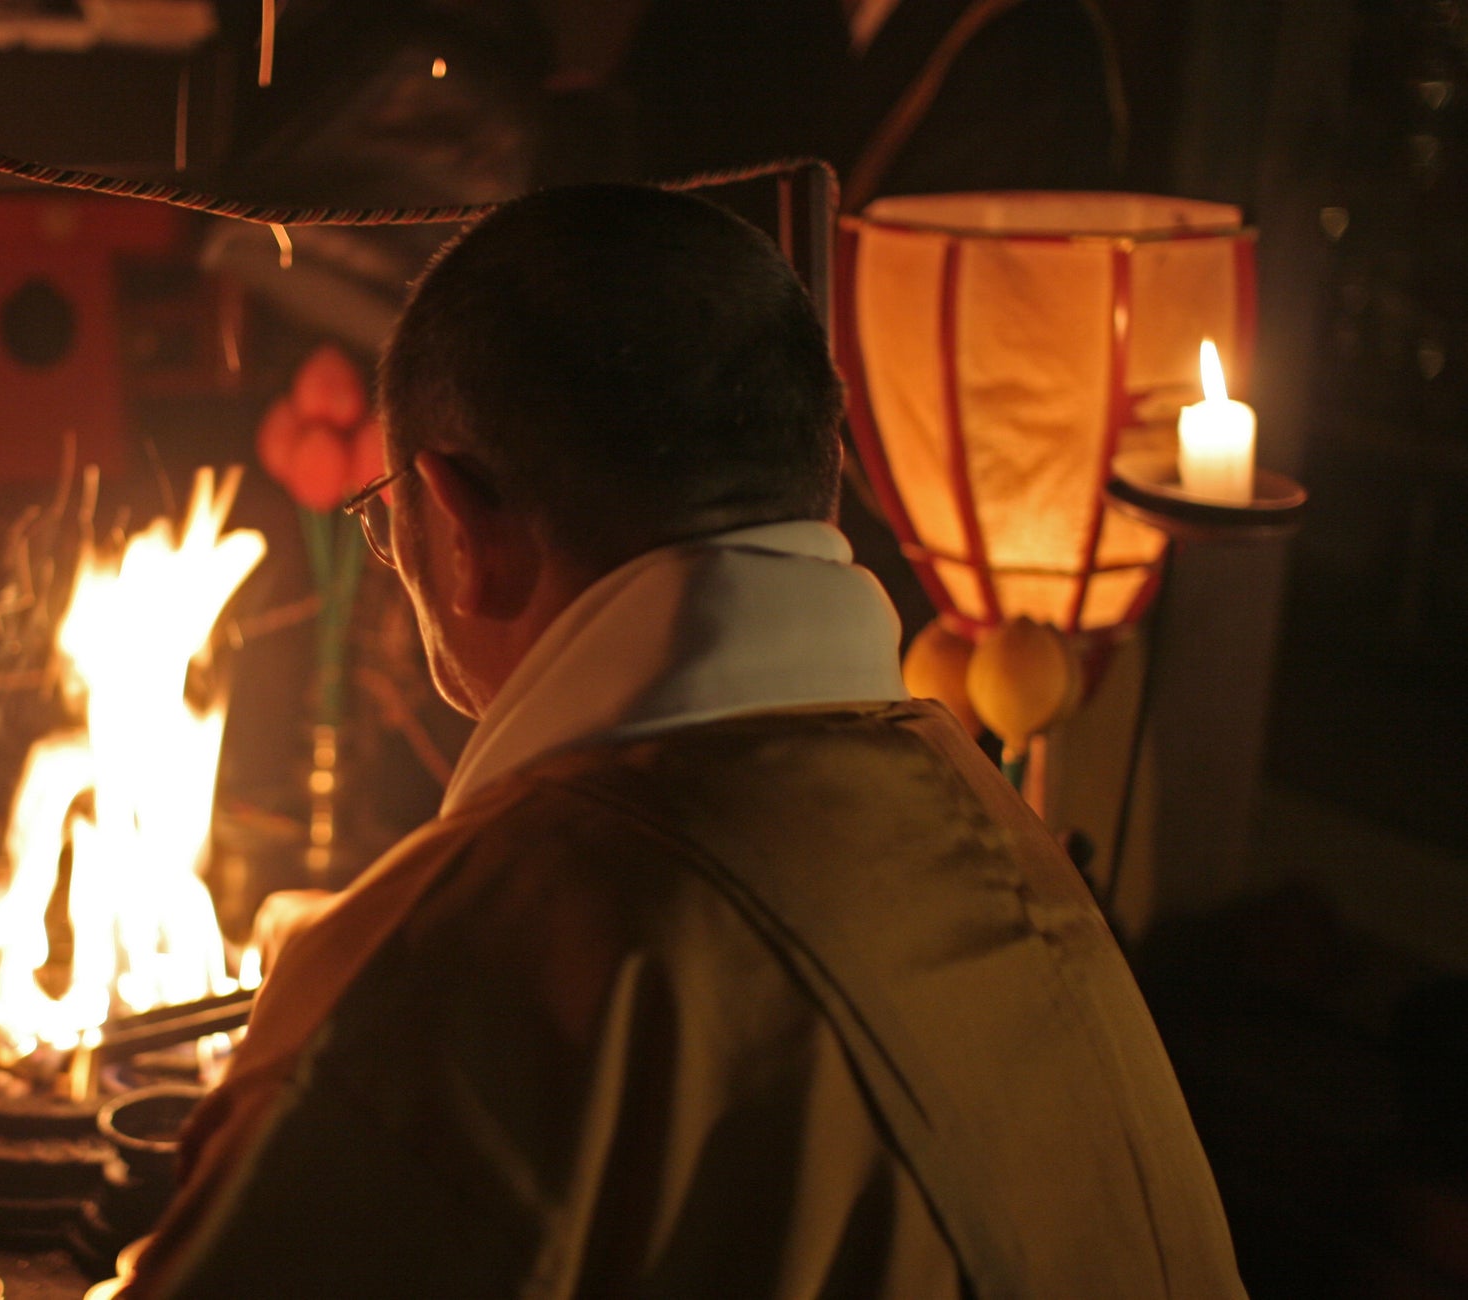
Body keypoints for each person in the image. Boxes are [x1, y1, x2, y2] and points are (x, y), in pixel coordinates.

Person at [120, 184, 1243, 1298]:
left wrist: (375, 986)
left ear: (460, 530)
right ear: (819, 471)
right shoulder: (1005, 846)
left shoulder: (466, 972)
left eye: (385, 519)